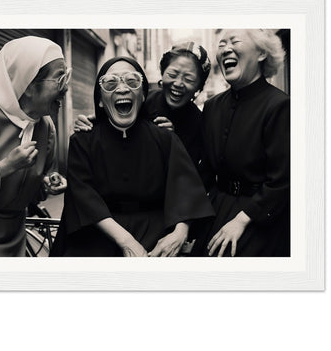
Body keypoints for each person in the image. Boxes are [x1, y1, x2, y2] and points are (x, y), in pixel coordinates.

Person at [51, 56, 214, 257]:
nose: (122, 89)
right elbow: (83, 196)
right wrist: (126, 241)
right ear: (100, 100)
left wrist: (180, 232)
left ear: (143, 94)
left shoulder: (165, 138)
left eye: (132, 81)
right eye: (111, 83)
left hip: (155, 235)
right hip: (98, 233)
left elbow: (186, 189)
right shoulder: (83, 141)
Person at [0, 36, 70, 257]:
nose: (66, 87)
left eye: (67, 76)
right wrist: (5, 167)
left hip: (16, 237)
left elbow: (31, 190)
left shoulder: (46, 126)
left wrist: (46, 184)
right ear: (28, 85)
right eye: (59, 78)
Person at [199, 29, 290, 257]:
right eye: (221, 44)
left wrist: (242, 220)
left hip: (261, 216)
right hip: (218, 208)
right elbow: (204, 172)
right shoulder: (211, 107)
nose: (226, 49)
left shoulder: (280, 106)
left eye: (234, 41)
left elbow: (282, 181)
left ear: (261, 53)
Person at [75, 42, 211, 168]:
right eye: (172, 74)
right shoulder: (142, 100)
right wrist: (92, 122)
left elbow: (189, 173)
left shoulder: (200, 123)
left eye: (188, 79)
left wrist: (172, 142)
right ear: (162, 73)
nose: (178, 83)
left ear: (199, 86)